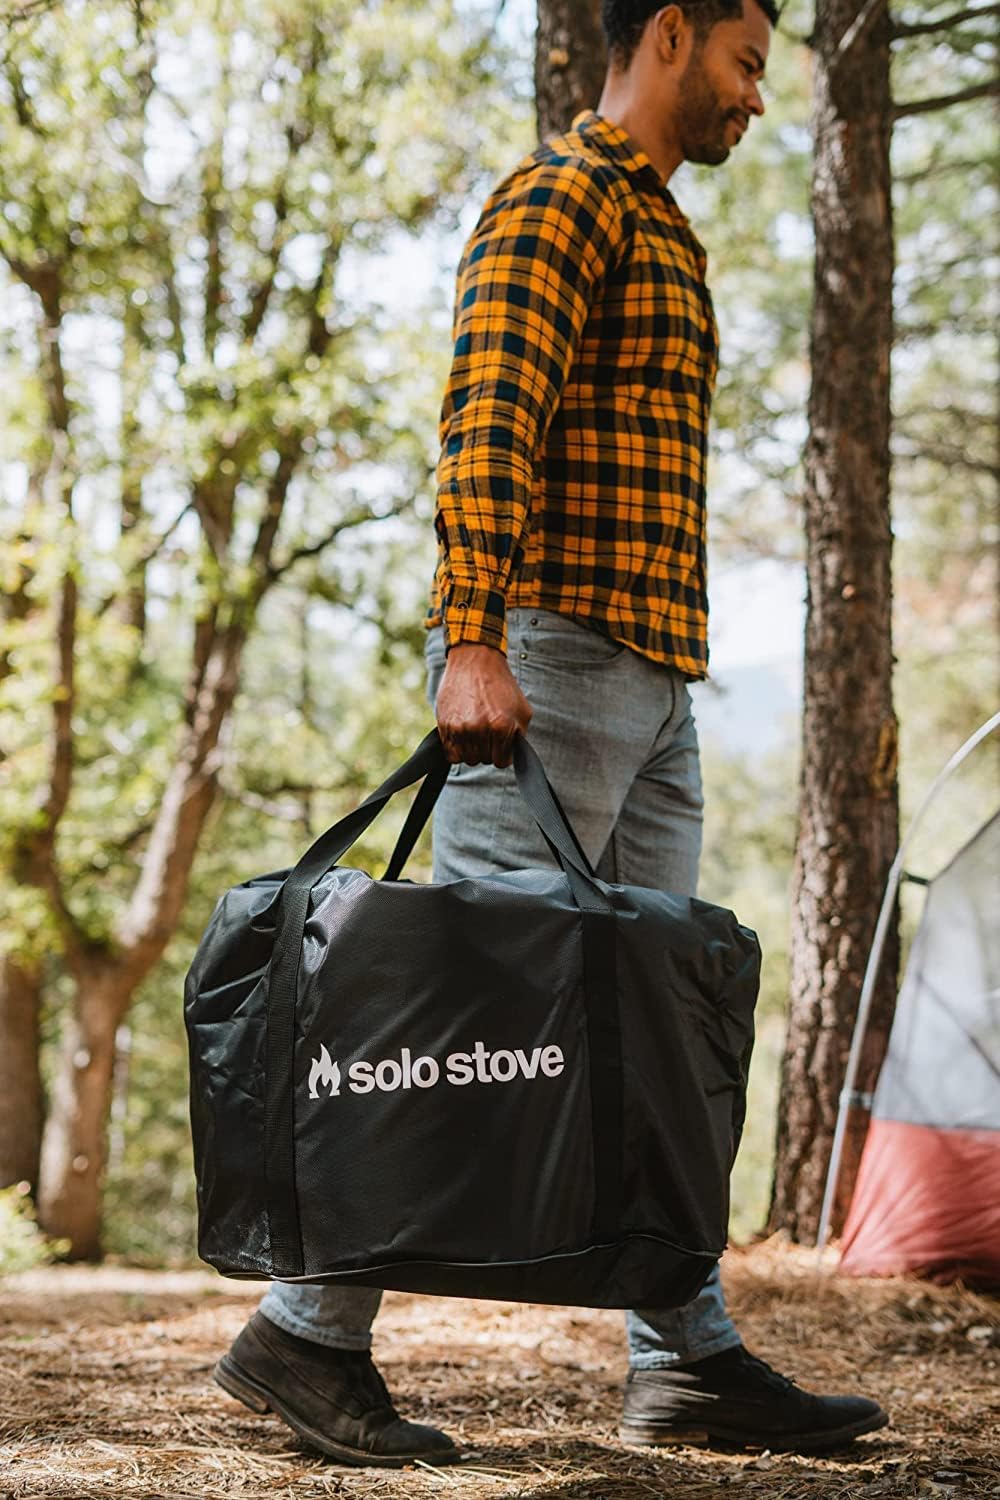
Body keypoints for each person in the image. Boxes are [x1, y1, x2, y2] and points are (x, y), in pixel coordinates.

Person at [214, 0, 889, 1467]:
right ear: (670, 33)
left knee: (649, 1024)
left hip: (653, 679)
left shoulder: (661, 228)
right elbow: (488, 415)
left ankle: (686, 1357)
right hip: (548, 661)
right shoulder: (560, 196)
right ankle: (305, 1334)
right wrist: (472, 634)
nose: (756, 98)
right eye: (747, 64)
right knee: (475, 1015)